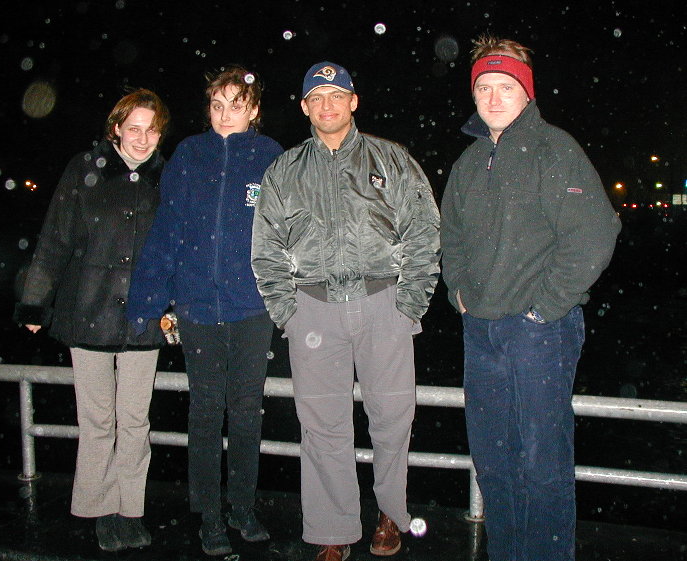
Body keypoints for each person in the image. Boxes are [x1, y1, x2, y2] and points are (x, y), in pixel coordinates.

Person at [439, 36, 621, 561]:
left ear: (527, 93)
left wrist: (545, 306)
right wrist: (459, 292)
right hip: (481, 331)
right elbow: (450, 236)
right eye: (484, 87)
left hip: (540, 332)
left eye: (506, 87)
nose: (494, 98)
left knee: (543, 463)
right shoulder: (470, 162)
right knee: (493, 461)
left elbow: (594, 233)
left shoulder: (554, 150)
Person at [251, 61, 440, 561]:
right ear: (305, 107)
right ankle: (331, 529)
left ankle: (390, 512)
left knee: (392, 419)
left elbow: (424, 230)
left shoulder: (391, 158)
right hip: (313, 310)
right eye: (317, 98)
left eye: (337, 95)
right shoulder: (284, 170)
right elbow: (266, 247)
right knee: (321, 427)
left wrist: (409, 304)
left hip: (384, 306)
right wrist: (288, 311)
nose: (327, 105)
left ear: (353, 101)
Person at [126, 65, 283, 557]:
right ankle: (209, 516)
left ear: (254, 110)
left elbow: (289, 234)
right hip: (196, 307)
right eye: (217, 105)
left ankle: (242, 507)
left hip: (253, 308)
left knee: (247, 412)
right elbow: (167, 229)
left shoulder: (271, 156)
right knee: (205, 412)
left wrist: (289, 298)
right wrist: (147, 301)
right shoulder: (189, 155)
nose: (225, 114)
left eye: (237, 105)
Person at [13, 88, 171, 551]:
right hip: (88, 310)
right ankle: (100, 508)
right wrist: (35, 302)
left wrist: (178, 305)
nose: (142, 138)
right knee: (98, 420)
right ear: (116, 129)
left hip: (144, 317)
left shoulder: (169, 177)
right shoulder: (85, 168)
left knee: (135, 422)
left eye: (152, 129)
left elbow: (179, 249)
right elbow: (55, 237)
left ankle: (130, 510)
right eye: (134, 128)